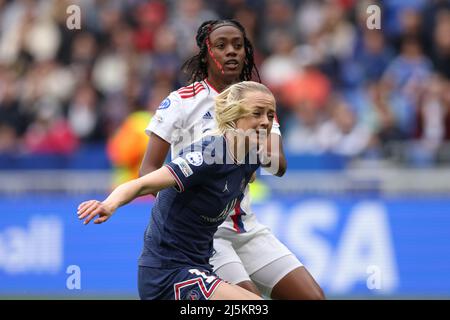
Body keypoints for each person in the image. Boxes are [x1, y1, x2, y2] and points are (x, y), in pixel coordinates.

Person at [140, 19, 324, 299]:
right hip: (208, 235)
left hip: (247, 227)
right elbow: (148, 170)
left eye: (238, 46)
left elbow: (279, 165)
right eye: (221, 45)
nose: (232, 52)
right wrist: (183, 215)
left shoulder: (258, 101)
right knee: (249, 304)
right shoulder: (181, 102)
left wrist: (246, 140)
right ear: (206, 52)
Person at [78, 81, 275, 300]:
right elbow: (141, 183)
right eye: (257, 113)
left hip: (200, 266)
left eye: (270, 114)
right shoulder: (208, 154)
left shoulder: (251, 157)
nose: (266, 122)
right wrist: (109, 204)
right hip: (167, 272)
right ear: (234, 115)